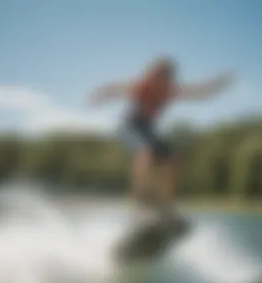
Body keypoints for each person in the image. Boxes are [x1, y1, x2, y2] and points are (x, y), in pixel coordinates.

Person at [88, 56, 236, 223]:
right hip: (129, 126)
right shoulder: (143, 86)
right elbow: (116, 89)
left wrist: (219, 84)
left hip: (147, 130)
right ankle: (141, 203)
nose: (158, 81)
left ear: (168, 78)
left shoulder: (169, 90)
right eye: (155, 76)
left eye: (163, 77)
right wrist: (99, 95)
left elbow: (200, 92)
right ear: (151, 75)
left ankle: (163, 203)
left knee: (173, 159)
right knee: (146, 153)